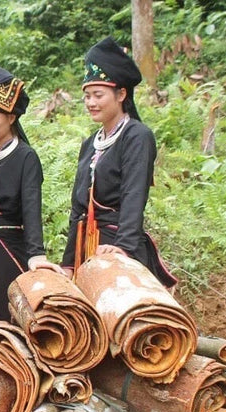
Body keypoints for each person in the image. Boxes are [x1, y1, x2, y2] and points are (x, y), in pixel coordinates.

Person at [61, 37, 177, 288]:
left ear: (121, 94)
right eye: (87, 96)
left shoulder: (137, 136)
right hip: (85, 248)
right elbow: (78, 210)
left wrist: (123, 248)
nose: (91, 103)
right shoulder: (90, 143)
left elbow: (134, 194)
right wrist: (68, 263)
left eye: (98, 95)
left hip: (116, 245)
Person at [0, 63, 63, 321]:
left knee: (5, 315)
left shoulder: (25, 157)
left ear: (11, 118)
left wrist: (36, 254)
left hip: (8, 251)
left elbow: (31, 207)